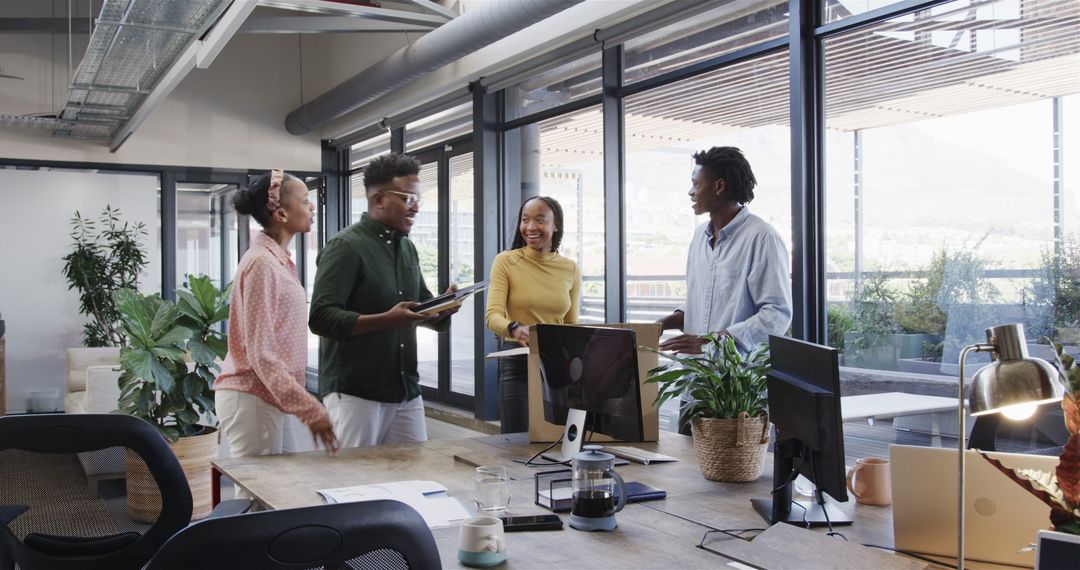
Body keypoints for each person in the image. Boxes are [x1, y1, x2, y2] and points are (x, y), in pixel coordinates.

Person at [309, 153, 457, 448]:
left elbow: (419, 306)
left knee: (416, 473)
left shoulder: (407, 248)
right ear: (378, 199)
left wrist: (442, 308)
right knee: (353, 475)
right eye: (407, 198)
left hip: (405, 389)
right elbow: (321, 317)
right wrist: (387, 320)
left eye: (418, 199)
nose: (416, 207)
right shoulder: (345, 246)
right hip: (356, 393)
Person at [214, 169, 339, 485]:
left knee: (284, 492)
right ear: (281, 213)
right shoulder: (263, 264)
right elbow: (262, 354)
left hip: (265, 397)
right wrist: (310, 409)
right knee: (259, 496)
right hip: (252, 395)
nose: (312, 207)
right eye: (305, 200)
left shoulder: (277, 260)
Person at [657, 146, 792, 354]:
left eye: (696, 184)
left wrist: (713, 342)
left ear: (719, 186)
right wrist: (662, 324)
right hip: (694, 370)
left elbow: (776, 315)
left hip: (736, 373)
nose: (691, 192)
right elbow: (703, 305)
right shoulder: (699, 236)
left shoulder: (762, 238)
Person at [485, 196, 581, 433]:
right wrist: (514, 328)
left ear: (555, 225)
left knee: (555, 438)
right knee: (515, 440)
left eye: (540, 220)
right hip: (518, 361)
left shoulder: (570, 268)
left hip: (557, 362)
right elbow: (492, 316)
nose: (530, 227)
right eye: (525, 220)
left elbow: (571, 324)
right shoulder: (506, 261)